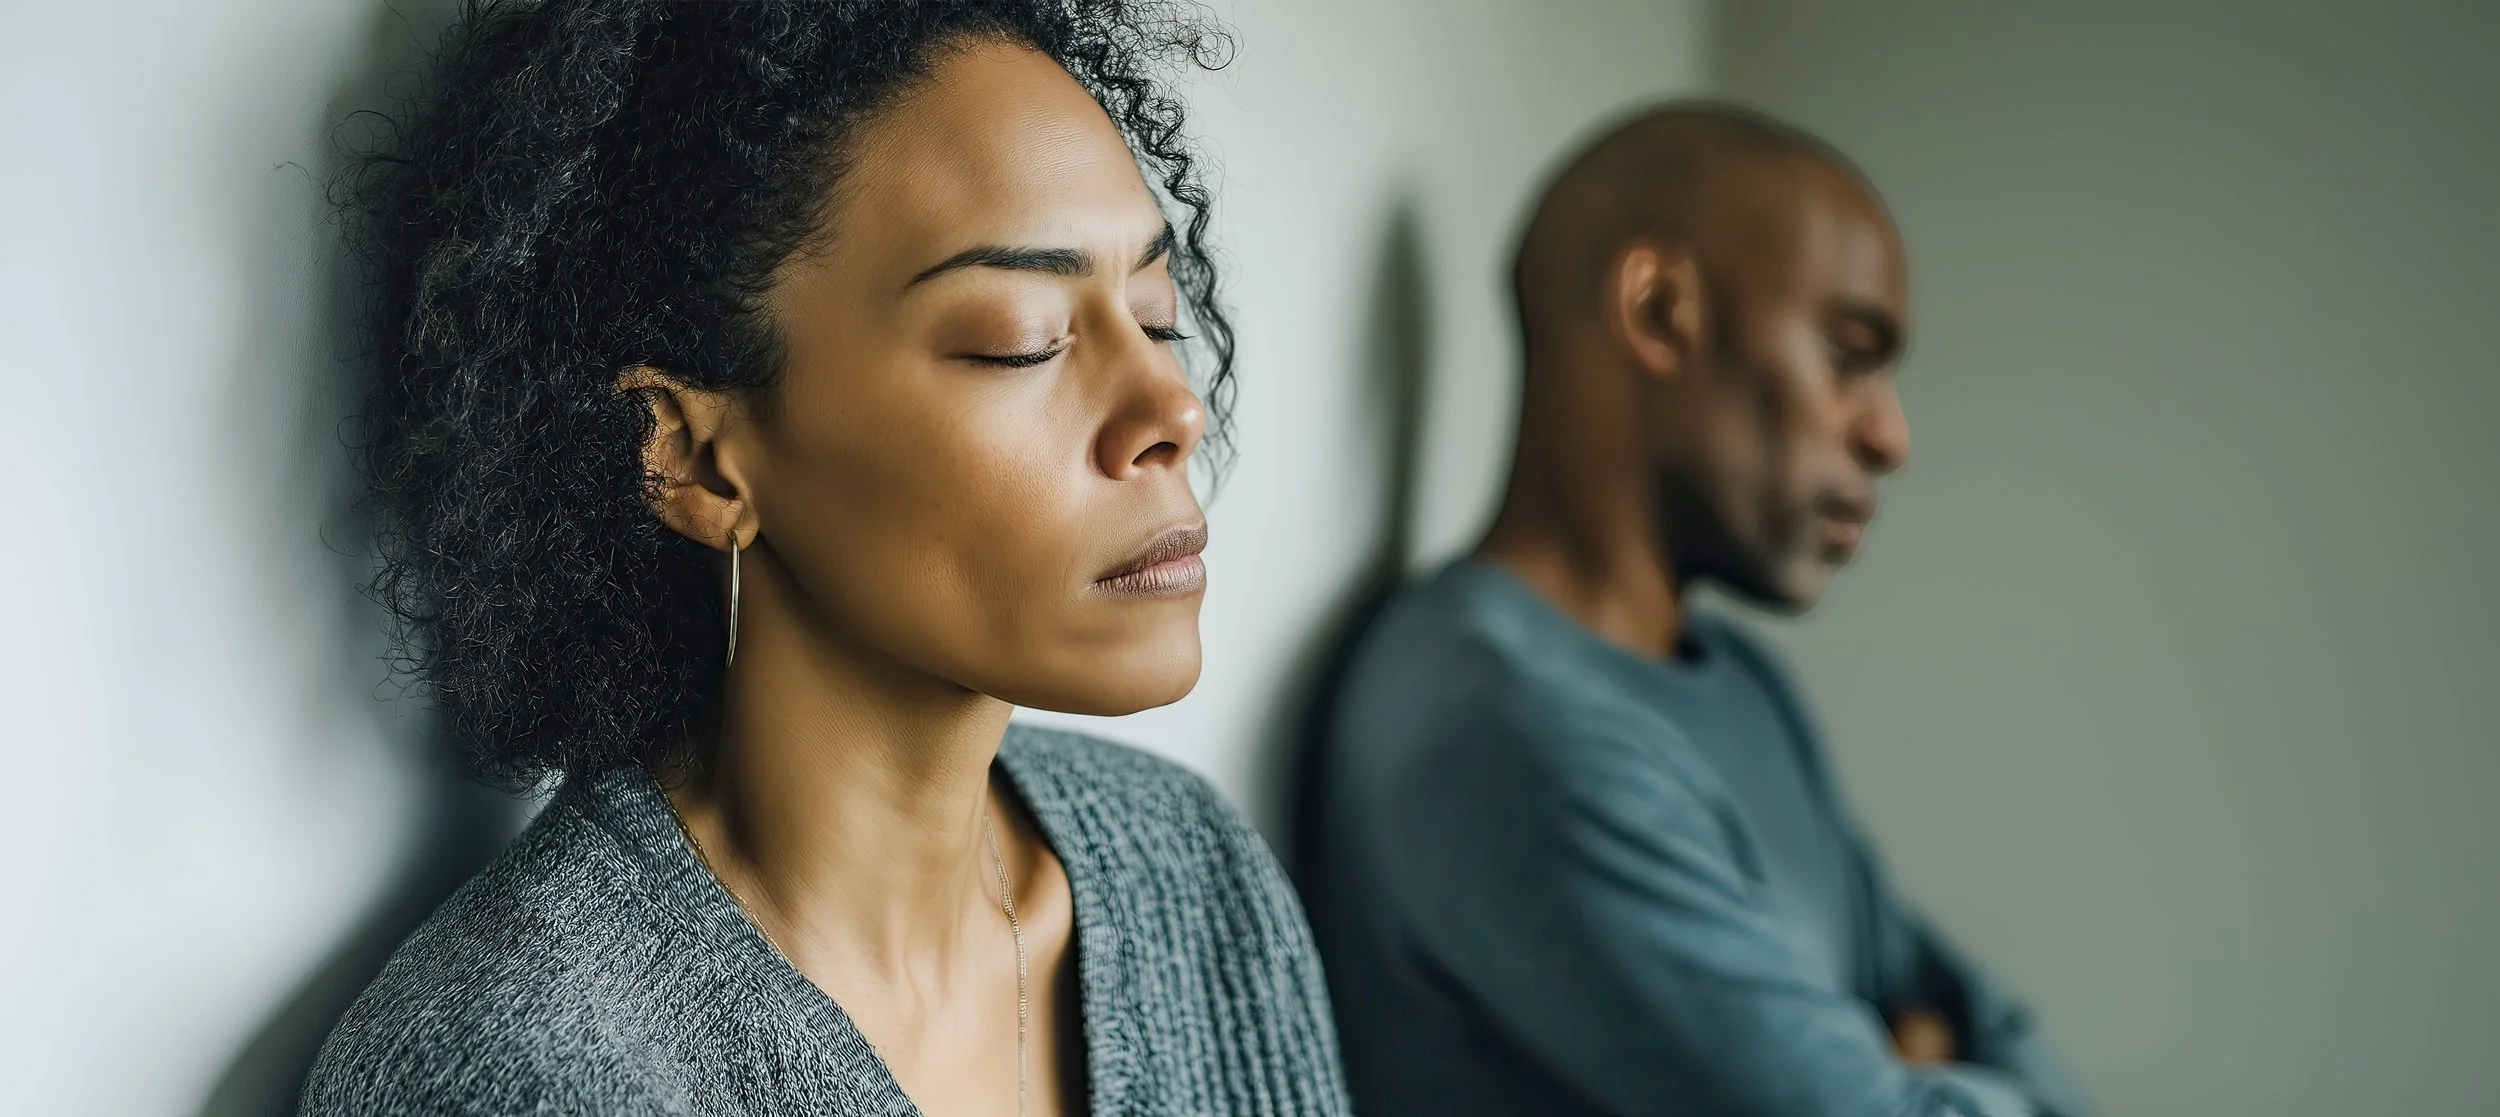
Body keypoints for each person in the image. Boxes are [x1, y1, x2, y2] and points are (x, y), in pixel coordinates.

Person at [301, 3, 1350, 1115]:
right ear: (696, 459)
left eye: (1152, 312)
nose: (1172, 407)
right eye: (1022, 341)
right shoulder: (520, 1069)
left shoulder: (1186, 871)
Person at [1302, 102, 2089, 1117]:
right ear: (1659, 310)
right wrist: (1893, 1062)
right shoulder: (1506, 730)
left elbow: (1971, 1013)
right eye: (1849, 353)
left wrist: (1915, 1065)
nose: (1891, 436)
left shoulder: (1739, 680)